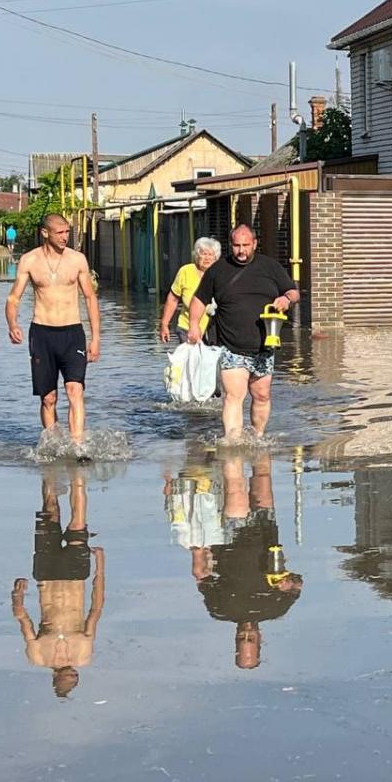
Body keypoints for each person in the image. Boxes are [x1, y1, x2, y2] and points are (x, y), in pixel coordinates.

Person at [188, 224, 299, 440]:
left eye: (246, 245)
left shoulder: (270, 267)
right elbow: (199, 299)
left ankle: (257, 437)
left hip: (264, 344)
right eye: (237, 245)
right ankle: (233, 442)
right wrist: (194, 325)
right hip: (231, 344)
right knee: (233, 395)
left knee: (262, 395)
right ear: (231, 245)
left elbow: (293, 292)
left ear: (255, 244)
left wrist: (286, 299)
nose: (241, 250)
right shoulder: (218, 270)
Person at [194, 454, 302, 669]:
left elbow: (201, 575)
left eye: (241, 639)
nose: (245, 634)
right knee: (262, 475)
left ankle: (231, 442)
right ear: (260, 639)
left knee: (235, 486)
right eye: (249, 639)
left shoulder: (220, 610)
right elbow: (298, 584)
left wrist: (198, 549)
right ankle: (257, 442)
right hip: (267, 537)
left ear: (234, 640)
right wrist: (288, 583)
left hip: (229, 538)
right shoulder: (276, 609)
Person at [5, 213, 101, 445]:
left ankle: (77, 447)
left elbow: (90, 298)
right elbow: (13, 298)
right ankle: (54, 445)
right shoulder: (29, 261)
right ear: (45, 233)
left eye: (67, 232)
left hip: (72, 333)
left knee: (75, 390)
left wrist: (95, 338)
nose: (65, 237)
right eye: (60, 232)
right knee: (48, 398)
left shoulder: (77, 260)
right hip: (42, 333)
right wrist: (13, 324)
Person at [11, 468, 105, 698]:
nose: (73, 677)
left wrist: (17, 598)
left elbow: (23, 621)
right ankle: (78, 476)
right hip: (76, 575)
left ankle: (50, 472)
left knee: (50, 509)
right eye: (74, 680)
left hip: (45, 575)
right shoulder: (83, 655)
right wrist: (100, 568)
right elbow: (95, 611)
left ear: (55, 680)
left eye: (68, 681)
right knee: (79, 519)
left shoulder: (38, 657)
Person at [159, 237, 220, 346]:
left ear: (216, 258)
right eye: (203, 254)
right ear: (197, 255)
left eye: (210, 255)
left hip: (213, 329)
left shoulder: (220, 274)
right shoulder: (186, 271)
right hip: (186, 327)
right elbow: (173, 299)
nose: (207, 258)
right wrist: (164, 324)